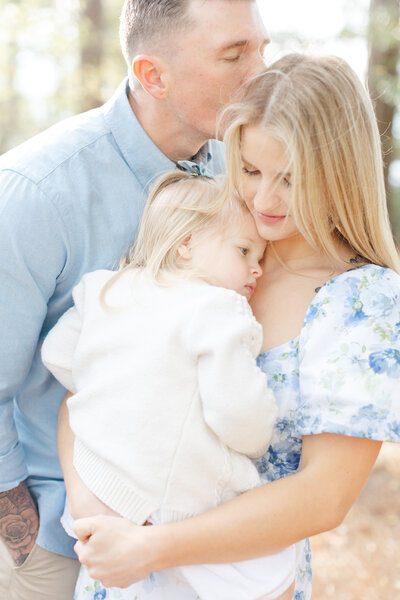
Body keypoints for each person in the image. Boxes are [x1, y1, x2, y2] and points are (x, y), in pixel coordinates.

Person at [70, 53, 400, 599]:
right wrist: (99, 521)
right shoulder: (207, 244)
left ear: (339, 174)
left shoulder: (363, 301)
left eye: (291, 180)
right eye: (249, 170)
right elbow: (84, 385)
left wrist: (152, 546)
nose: (265, 200)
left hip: (240, 580)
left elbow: (324, 496)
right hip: (121, 567)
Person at [0, 1, 267, 598]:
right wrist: (23, 531)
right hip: (66, 544)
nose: (261, 74)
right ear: (152, 75)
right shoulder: (34, 195)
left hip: (209, 551)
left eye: (261, 50)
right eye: (234, 55)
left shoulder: (246, 177)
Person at [42, 170, 296, 600]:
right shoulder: (219, 309)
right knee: (276, 571)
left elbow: (58, 356)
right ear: (186, 245)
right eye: (244, 250)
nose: (256, 267)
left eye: (260, 256)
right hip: (180, 506)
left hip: (99, 487)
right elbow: (240, 419)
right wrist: (261, 434)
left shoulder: (106, 287)